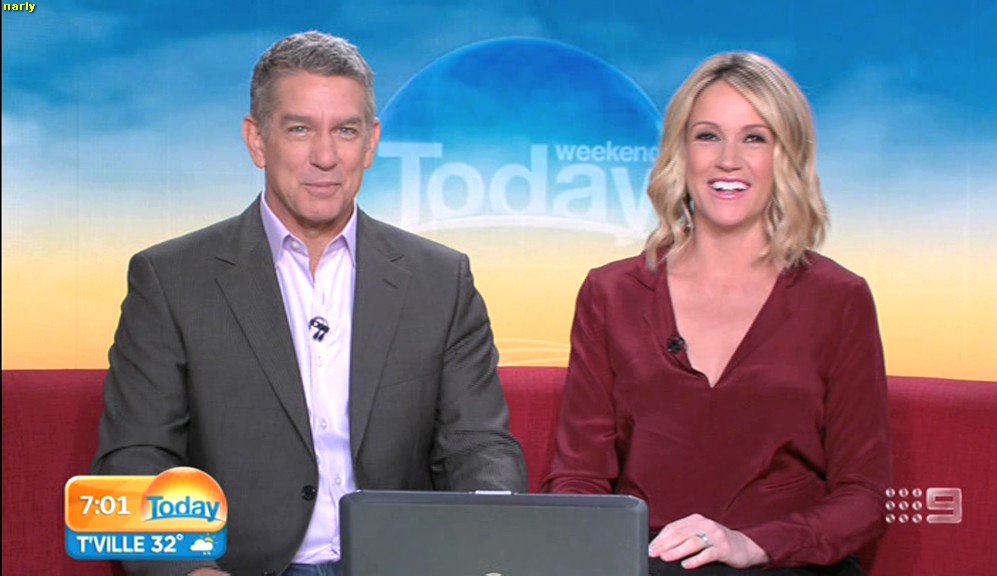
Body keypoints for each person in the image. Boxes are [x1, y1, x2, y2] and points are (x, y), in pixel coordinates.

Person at [93, 30, 527, 576]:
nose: (325, 157)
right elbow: (135, 459)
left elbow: (477, 444)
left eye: (345, 131)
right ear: (257, 140)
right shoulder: (171, 279)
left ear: (371, 143)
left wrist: (491, 543)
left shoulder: (440, 279)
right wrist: (193, 572)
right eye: (299, 129)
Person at [542, 52, 891, 575]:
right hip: (651, 561)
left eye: (755, 138)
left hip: (785, 563)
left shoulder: (839, 298)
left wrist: (753, 544)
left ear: (787, 156)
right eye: (707, 136)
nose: (729, 159)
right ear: (680, 153)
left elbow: (863, 495)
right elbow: (578, 477)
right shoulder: (611, 293)